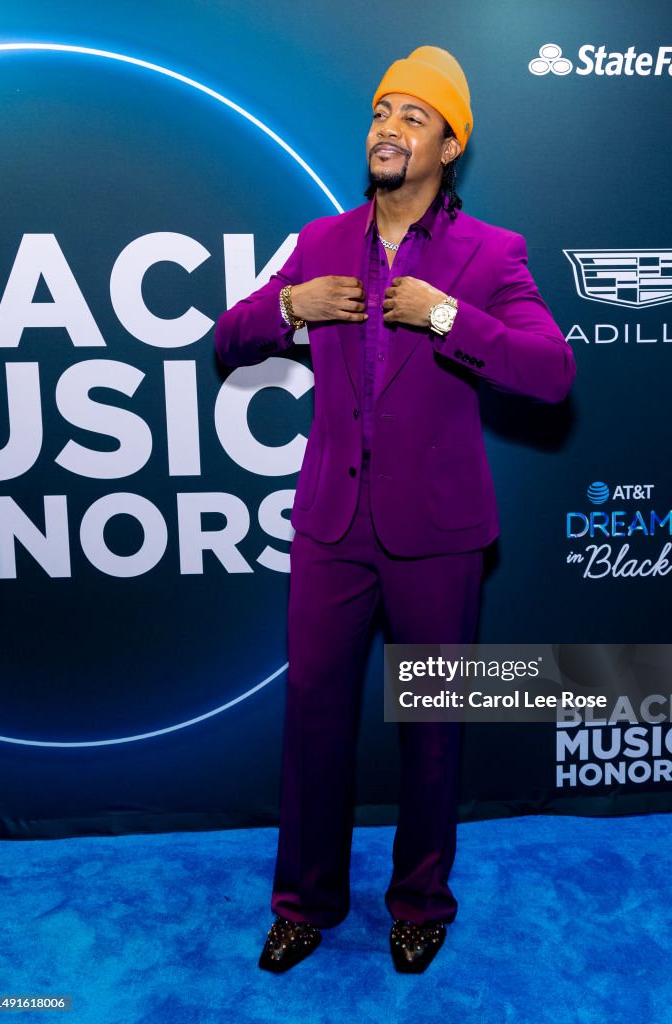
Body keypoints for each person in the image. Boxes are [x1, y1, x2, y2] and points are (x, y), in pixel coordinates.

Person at [214, 45, 576, 974]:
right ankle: (304, 904)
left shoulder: (492, 255)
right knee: (312, 721)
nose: (389, 128)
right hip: (331, 530)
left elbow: (551, 372)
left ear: (449, 145)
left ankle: (420, 900)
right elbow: (229, 337)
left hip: (439, 538)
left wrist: (450, 317)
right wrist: (289, 303)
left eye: (414, 117)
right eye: (382, 111)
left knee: (432, 731)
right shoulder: (321, 240)